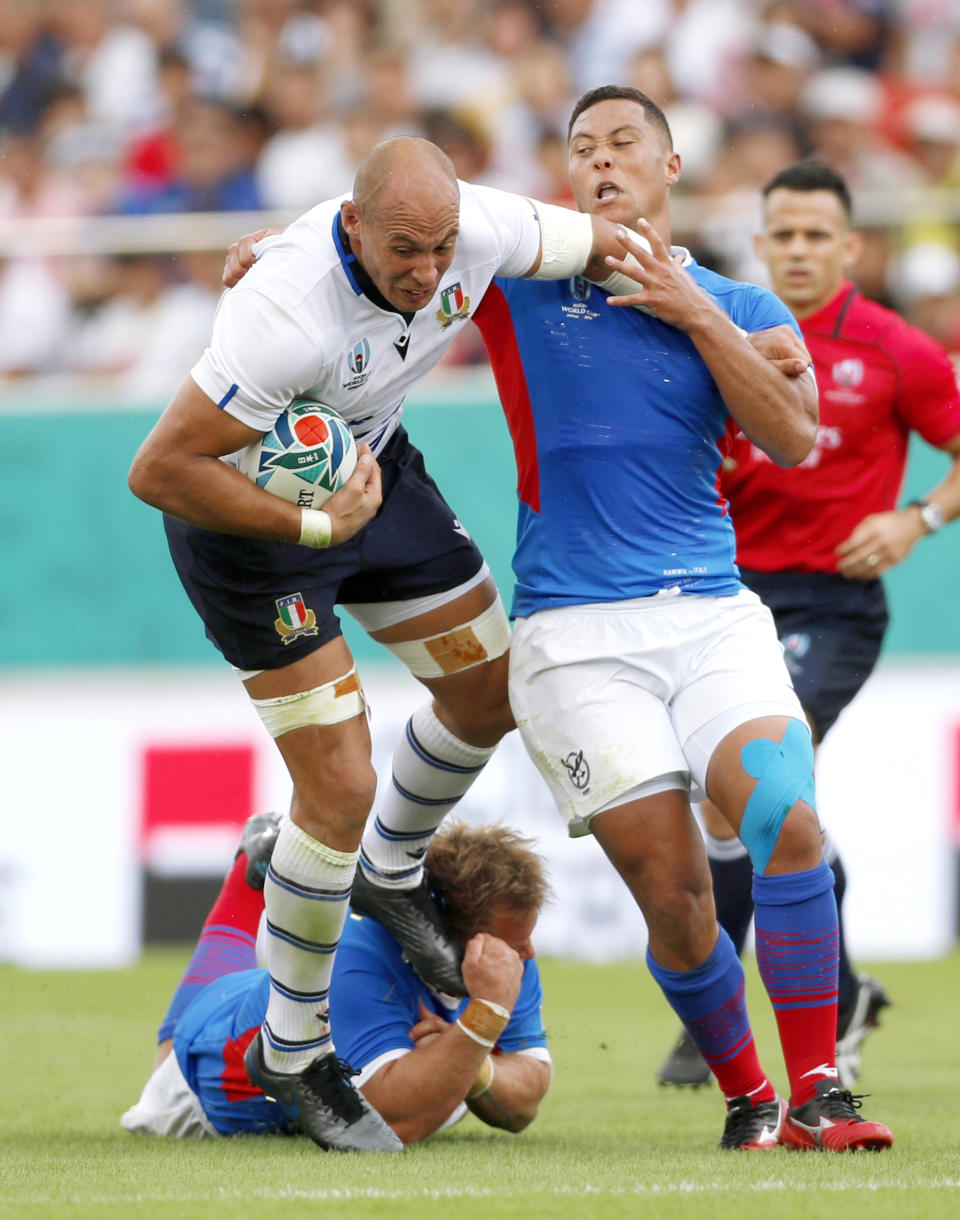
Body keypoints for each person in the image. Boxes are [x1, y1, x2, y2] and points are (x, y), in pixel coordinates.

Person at [127, 134, 663, 1152]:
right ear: (352, 224)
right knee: (337, 786)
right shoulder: (285, 309)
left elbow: (615, 243)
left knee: (488, 690)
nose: (428, 273)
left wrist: (718, 317)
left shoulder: (481, 230)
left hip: (371, 470)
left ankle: (387, 867)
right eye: (404, 251)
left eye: (442, 248)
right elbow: (158, 467)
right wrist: (308, 528)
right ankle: (294, 1049)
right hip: (253, 532)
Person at [469, 86, 894, 1152]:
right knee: (678, 893)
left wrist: (693, 309)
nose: (601, 161)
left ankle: (820, 1092)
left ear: (669, 169)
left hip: (710, 612)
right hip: (573, 635)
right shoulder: (520, 291)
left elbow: (796, 438)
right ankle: (749, 1094)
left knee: (787, 817)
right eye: (581, 149)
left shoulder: (745, 306)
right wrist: (284, 252)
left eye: (624, 144)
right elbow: (412, 231)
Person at [656, 160, 960, 1092]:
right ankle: (839, 995)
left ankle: (792, 1010)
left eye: (815, 235)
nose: (796, 250)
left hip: (832, 605)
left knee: (759, 795)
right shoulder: (725, 327)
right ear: (760, 243)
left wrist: (919, 518)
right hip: (727, 598)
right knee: (747, 806)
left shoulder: (894, 349)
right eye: (781, 234)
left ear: (850, 246)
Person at [121, 813, 552, 1145]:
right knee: (160, 1078)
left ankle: (253, 877)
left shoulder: (505, 958)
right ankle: (247, 880)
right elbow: (392, 1122)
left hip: (263, 1000)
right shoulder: (355, 956)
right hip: (209, 1076)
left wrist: (469, 1060)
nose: (527, 954)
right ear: (445, 936)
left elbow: (525, 1104)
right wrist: (481, 1021)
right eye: (514, 943)